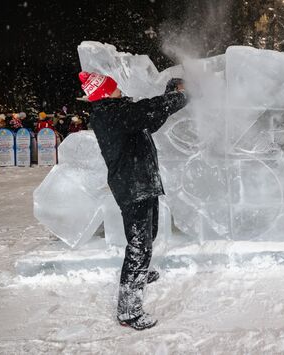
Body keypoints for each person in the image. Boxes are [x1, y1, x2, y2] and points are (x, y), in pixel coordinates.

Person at [79, 71, 187, 330]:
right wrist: (181, 97)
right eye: (114, 87)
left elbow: (152, 117)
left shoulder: (119, 110)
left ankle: (140, 274)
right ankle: (129, 312)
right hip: (132, 186)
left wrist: (171, 95)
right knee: (139, 245)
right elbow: (148, 110)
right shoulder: (111, 113)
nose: (119, 89)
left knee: (147, 234)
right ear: (105, 93)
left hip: (142, 181)